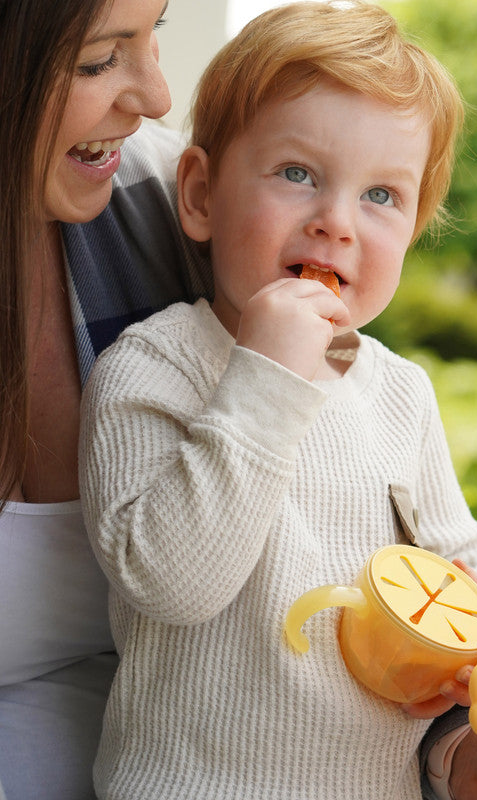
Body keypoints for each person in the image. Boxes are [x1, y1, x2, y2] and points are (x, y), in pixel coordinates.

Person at [79, 3, 477, 800]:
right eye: (297, 173)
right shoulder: (154, 369)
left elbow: (466, 566)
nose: (336, 222)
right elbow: (168, 583)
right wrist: (268, 379)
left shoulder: (400, 395)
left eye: (381, 197)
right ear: (199, 195)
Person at [0, 1, 211, 798]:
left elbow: (361, 478)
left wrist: (449, 745)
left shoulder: (168, 202)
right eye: (99, 60)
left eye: (152, 32)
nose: (157, 95)